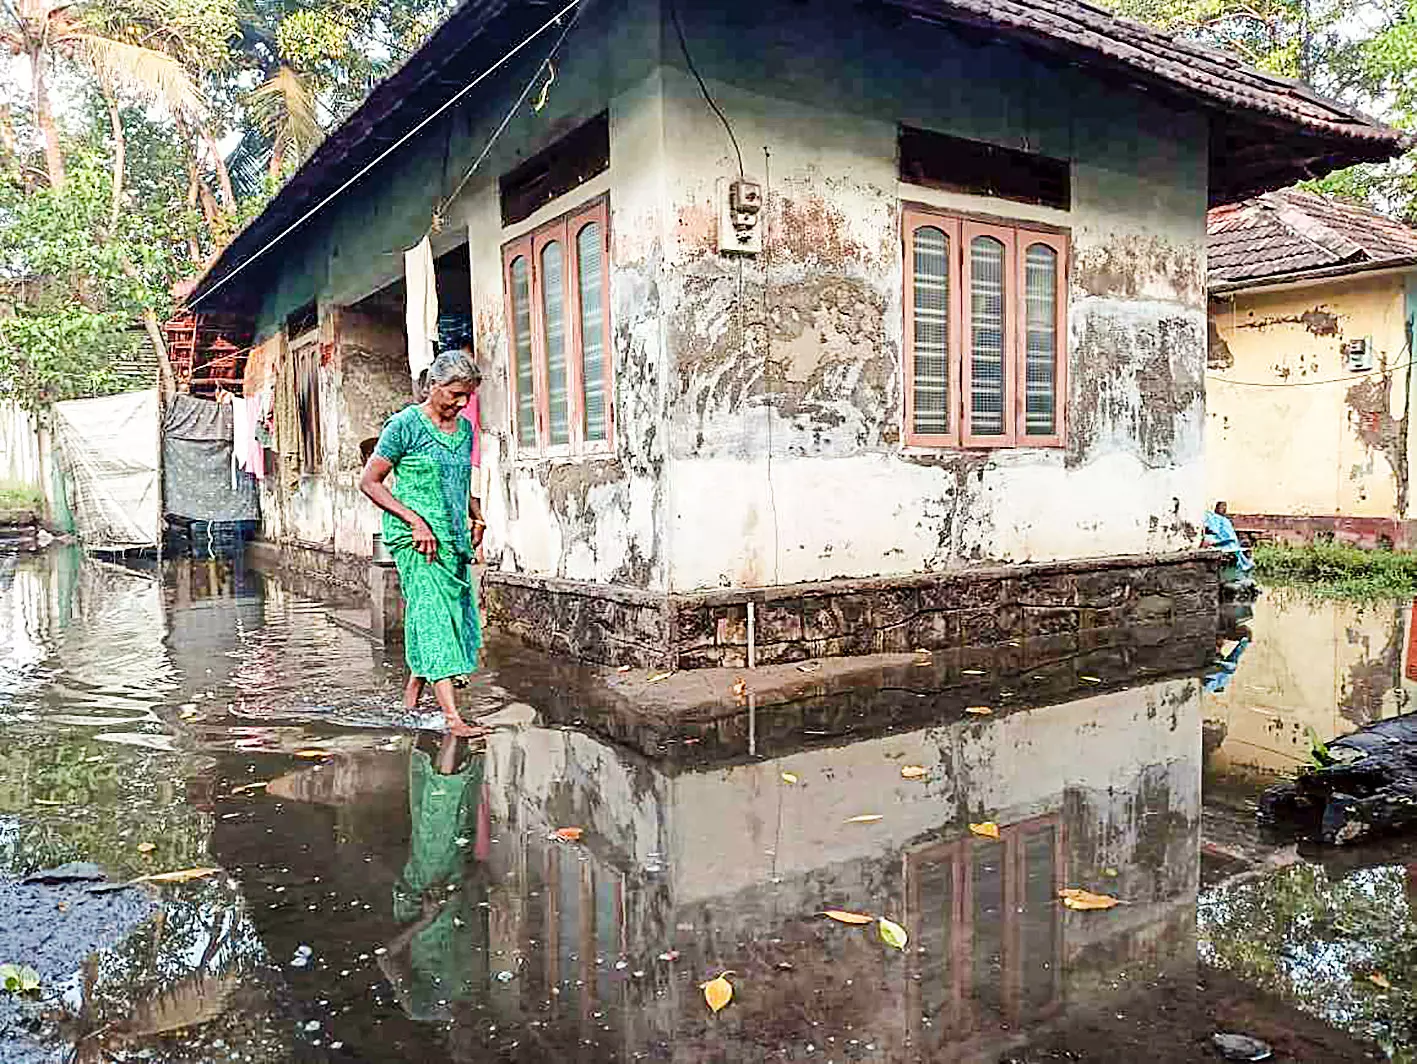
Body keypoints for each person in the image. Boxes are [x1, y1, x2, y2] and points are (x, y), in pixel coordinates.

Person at [360, 350, 487, 736]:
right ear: (433, 386)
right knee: (433, 615)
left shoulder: (464, 431)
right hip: (415, 540)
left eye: (467, 396)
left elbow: (460, 481)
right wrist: (415, 521)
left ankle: (412, 694)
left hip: (451, 536)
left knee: (446, 611)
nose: (461, 403)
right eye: (454, 394)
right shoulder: (403, 426)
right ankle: (452, 718)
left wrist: (476, 515)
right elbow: (370, 482)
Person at [1204, 500, 1254, 573]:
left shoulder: (1225, 520)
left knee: (1236, 550)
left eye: (1225, 507)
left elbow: (1230, 533)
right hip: (1220, 540)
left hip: (1230, 541)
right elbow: (1214, 529)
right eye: (1221, 507)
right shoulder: (1213, 518)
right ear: (1216, 508)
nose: (1223, 509)